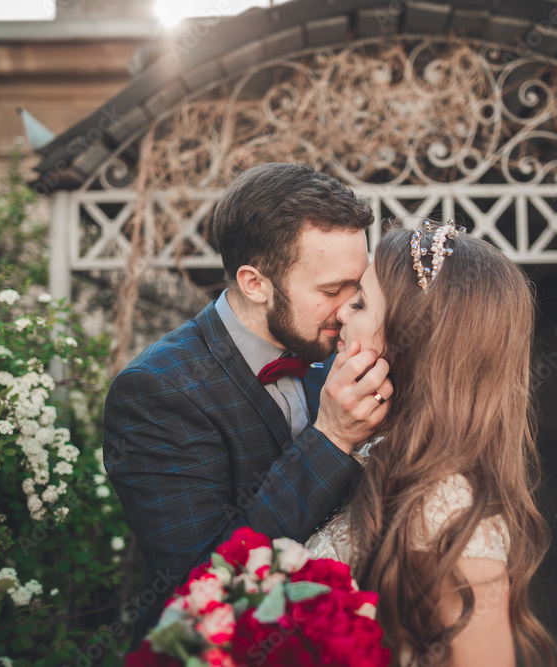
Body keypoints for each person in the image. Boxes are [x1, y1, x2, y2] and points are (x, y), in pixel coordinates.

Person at [103, 162, 394, 652]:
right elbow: (198, 578)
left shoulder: (343, 352)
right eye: (329, 291)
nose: (348, 310)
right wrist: (333, 440)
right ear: (254, 283)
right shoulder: (156, 391)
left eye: (355, 287)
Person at [305, 223, 557, 667]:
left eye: (361, 302)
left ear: (414, 338)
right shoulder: (374, 447)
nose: (342, 313)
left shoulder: (451, 505)